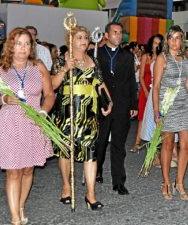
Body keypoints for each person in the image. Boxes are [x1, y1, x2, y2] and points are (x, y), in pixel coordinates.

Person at [0, 27, 55, 225]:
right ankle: (15, 216)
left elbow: (49, 95)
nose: (23, 48)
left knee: (27, 169)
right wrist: (4, 99)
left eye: (27, 43)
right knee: (13, 170)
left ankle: (21, 205)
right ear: (11, 46)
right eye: (18, 43)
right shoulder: (0, 69)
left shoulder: (39, 67)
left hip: (34, 122)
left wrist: (43, 111)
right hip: (10, 122)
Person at [51, 26, 112, 210]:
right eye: (79, 37)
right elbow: (52, 84)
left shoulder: (92, 60)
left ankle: (90, 194)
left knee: (90, 153)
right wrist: (65, 69)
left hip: (89, 113)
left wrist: (108, 102)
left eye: (85, 37)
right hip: (67, 113)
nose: (84, 40)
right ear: (70, 39)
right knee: (65, 152)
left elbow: (100, 83)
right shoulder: (62, 59)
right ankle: (66, 186)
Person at [153, 25, 188, 201]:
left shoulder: (185, 60)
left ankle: (179, 182)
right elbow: (156, 86)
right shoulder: (162, 58)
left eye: (177, 38)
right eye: (171, 38)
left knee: (186, 145)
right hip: (167, 105)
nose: (174, 41)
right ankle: (166, 182)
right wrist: (157, 111)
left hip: (183, 105)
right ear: (168, 40)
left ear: (182, 40)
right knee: (168, 145)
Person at [94, 22, 138, 195]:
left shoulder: (127, 55)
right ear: (106, 35)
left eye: (120, 33)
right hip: (102, 105)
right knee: (100, 142)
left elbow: (131, 82)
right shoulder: (96, 54)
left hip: (122, 105)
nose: (118, 35)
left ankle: (118, 181)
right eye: (115, 32)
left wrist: (133, 105)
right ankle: (95, 171)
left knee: (119, 145)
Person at [130, 34, 163, 153]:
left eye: (159, 44)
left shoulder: (163, 58)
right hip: (146, 89)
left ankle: (154, 144)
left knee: (157, 117)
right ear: (151, 44)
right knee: (142, 117)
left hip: (158, 90)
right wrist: (145, 91)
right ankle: (137, 142)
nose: (156, 46)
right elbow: (141, 76)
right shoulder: (145, 56)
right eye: (155, 43)